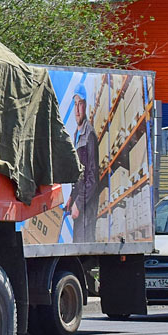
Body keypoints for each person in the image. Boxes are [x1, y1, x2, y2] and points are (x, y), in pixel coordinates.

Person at [63, 82, 99, 243]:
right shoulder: (78, 133)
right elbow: (80, 174)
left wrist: (79, 203)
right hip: (80, 200)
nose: (77, 109)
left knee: (83, 243)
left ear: (85, 106)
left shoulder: (89, 135)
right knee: (77, 242)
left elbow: (92, 176)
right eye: (75, 104)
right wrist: (71, 197)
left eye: (81, 104)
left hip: (87, 204)